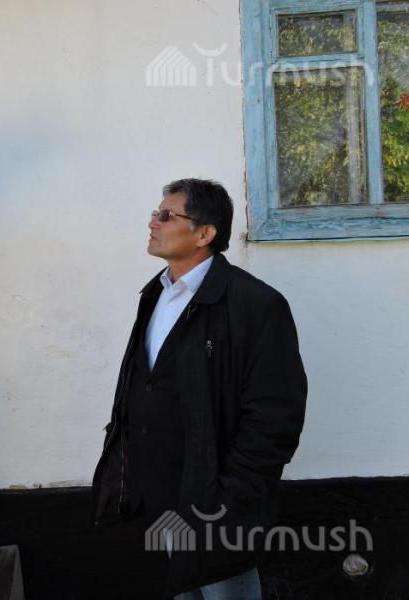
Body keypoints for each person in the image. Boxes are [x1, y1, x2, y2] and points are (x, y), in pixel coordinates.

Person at [90, 179, 307, 598]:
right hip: (162, 496)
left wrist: (232, 497)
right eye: (155, 213)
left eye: (166, 215)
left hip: (218, 505)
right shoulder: (156, 294)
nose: (153, 222)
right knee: (183, 590)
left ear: (205, 233)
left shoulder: (256, 304)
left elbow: (276, 415)